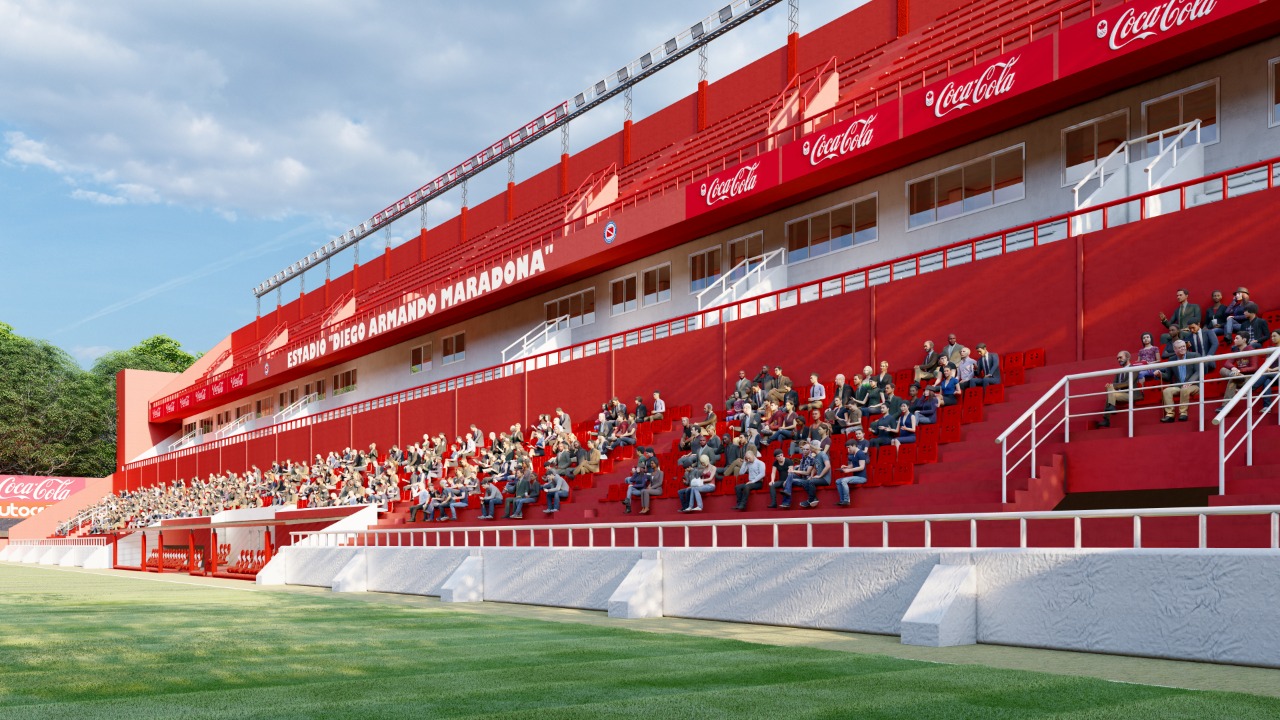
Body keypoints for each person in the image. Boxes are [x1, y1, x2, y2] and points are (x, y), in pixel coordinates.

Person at [1160, 339, 1201, 423]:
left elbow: (1198, 371)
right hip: (1179, 385)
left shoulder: (1194, 355)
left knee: (1185, 389)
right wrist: (1160, 374)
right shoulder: (1172, 359)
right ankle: (1170, 414)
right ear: (1175, 350)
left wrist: (1189, 382)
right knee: (1167, 391)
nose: (1182, 348)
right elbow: (1168, 376)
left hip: (1194, 385)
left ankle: (1183, 413)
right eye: (1179, 347)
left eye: (1183, 346)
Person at [1096, 351, 1137, 429]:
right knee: (1109, 388)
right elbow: (1114, 383)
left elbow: (1128, 383)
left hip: (1130, 394)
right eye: (1117, 358)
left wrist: (1112, 386)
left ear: (1128, 357)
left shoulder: (1134, 368)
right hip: (1118, 394)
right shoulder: (1119, 371)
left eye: (1120, 357)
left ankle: (1107, 417)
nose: (1119, 359)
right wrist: (1109, 386)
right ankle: (1111, 408)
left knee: (1111, 390)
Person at [1220, 334, 1261, 399]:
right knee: (1222, 370)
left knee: (1233, 380)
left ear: (1244, 340)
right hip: (1238, 375)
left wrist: (1239, 370)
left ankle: (1226, 405)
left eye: (1237, 338)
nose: (1234, 340)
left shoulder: (1251, 350)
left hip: (1248, 377)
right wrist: (1233, 368)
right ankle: (1234, 375)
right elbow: (1227, 363)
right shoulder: (1237, 351)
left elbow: (1254, 367)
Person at [797, 440, 831, 509]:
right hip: (820, 478)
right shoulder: (815, 456)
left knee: (811, 482)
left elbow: (828, 466)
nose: (809, 450)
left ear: (813, 448)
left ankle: (810, 500)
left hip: (825, 479)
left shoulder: (823, 454)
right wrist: (811, 476)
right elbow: (814, 468)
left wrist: (820, 475)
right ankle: (814, 498)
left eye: (810, 448)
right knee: (806, 481)